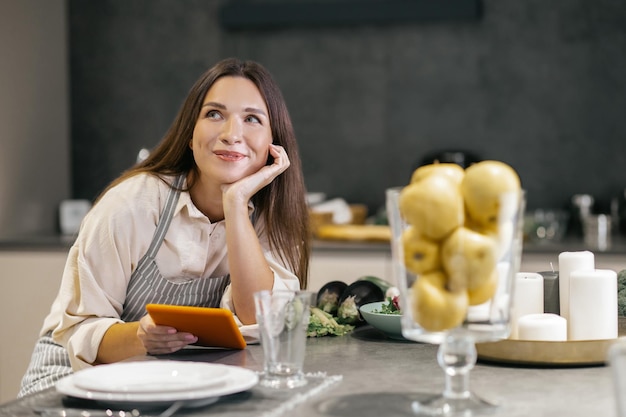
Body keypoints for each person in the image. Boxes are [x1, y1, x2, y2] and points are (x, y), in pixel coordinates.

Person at [19, 57, 310, 397]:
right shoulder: (133, 203)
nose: (232, 134)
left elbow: (258, 321)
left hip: (164, 386)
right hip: (68, 383)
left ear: (274, 143)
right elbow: (78, 332)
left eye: (252, 119)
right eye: (214, 114)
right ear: (190, 135)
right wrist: (139, 336)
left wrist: (235, 204)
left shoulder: (270, 217)